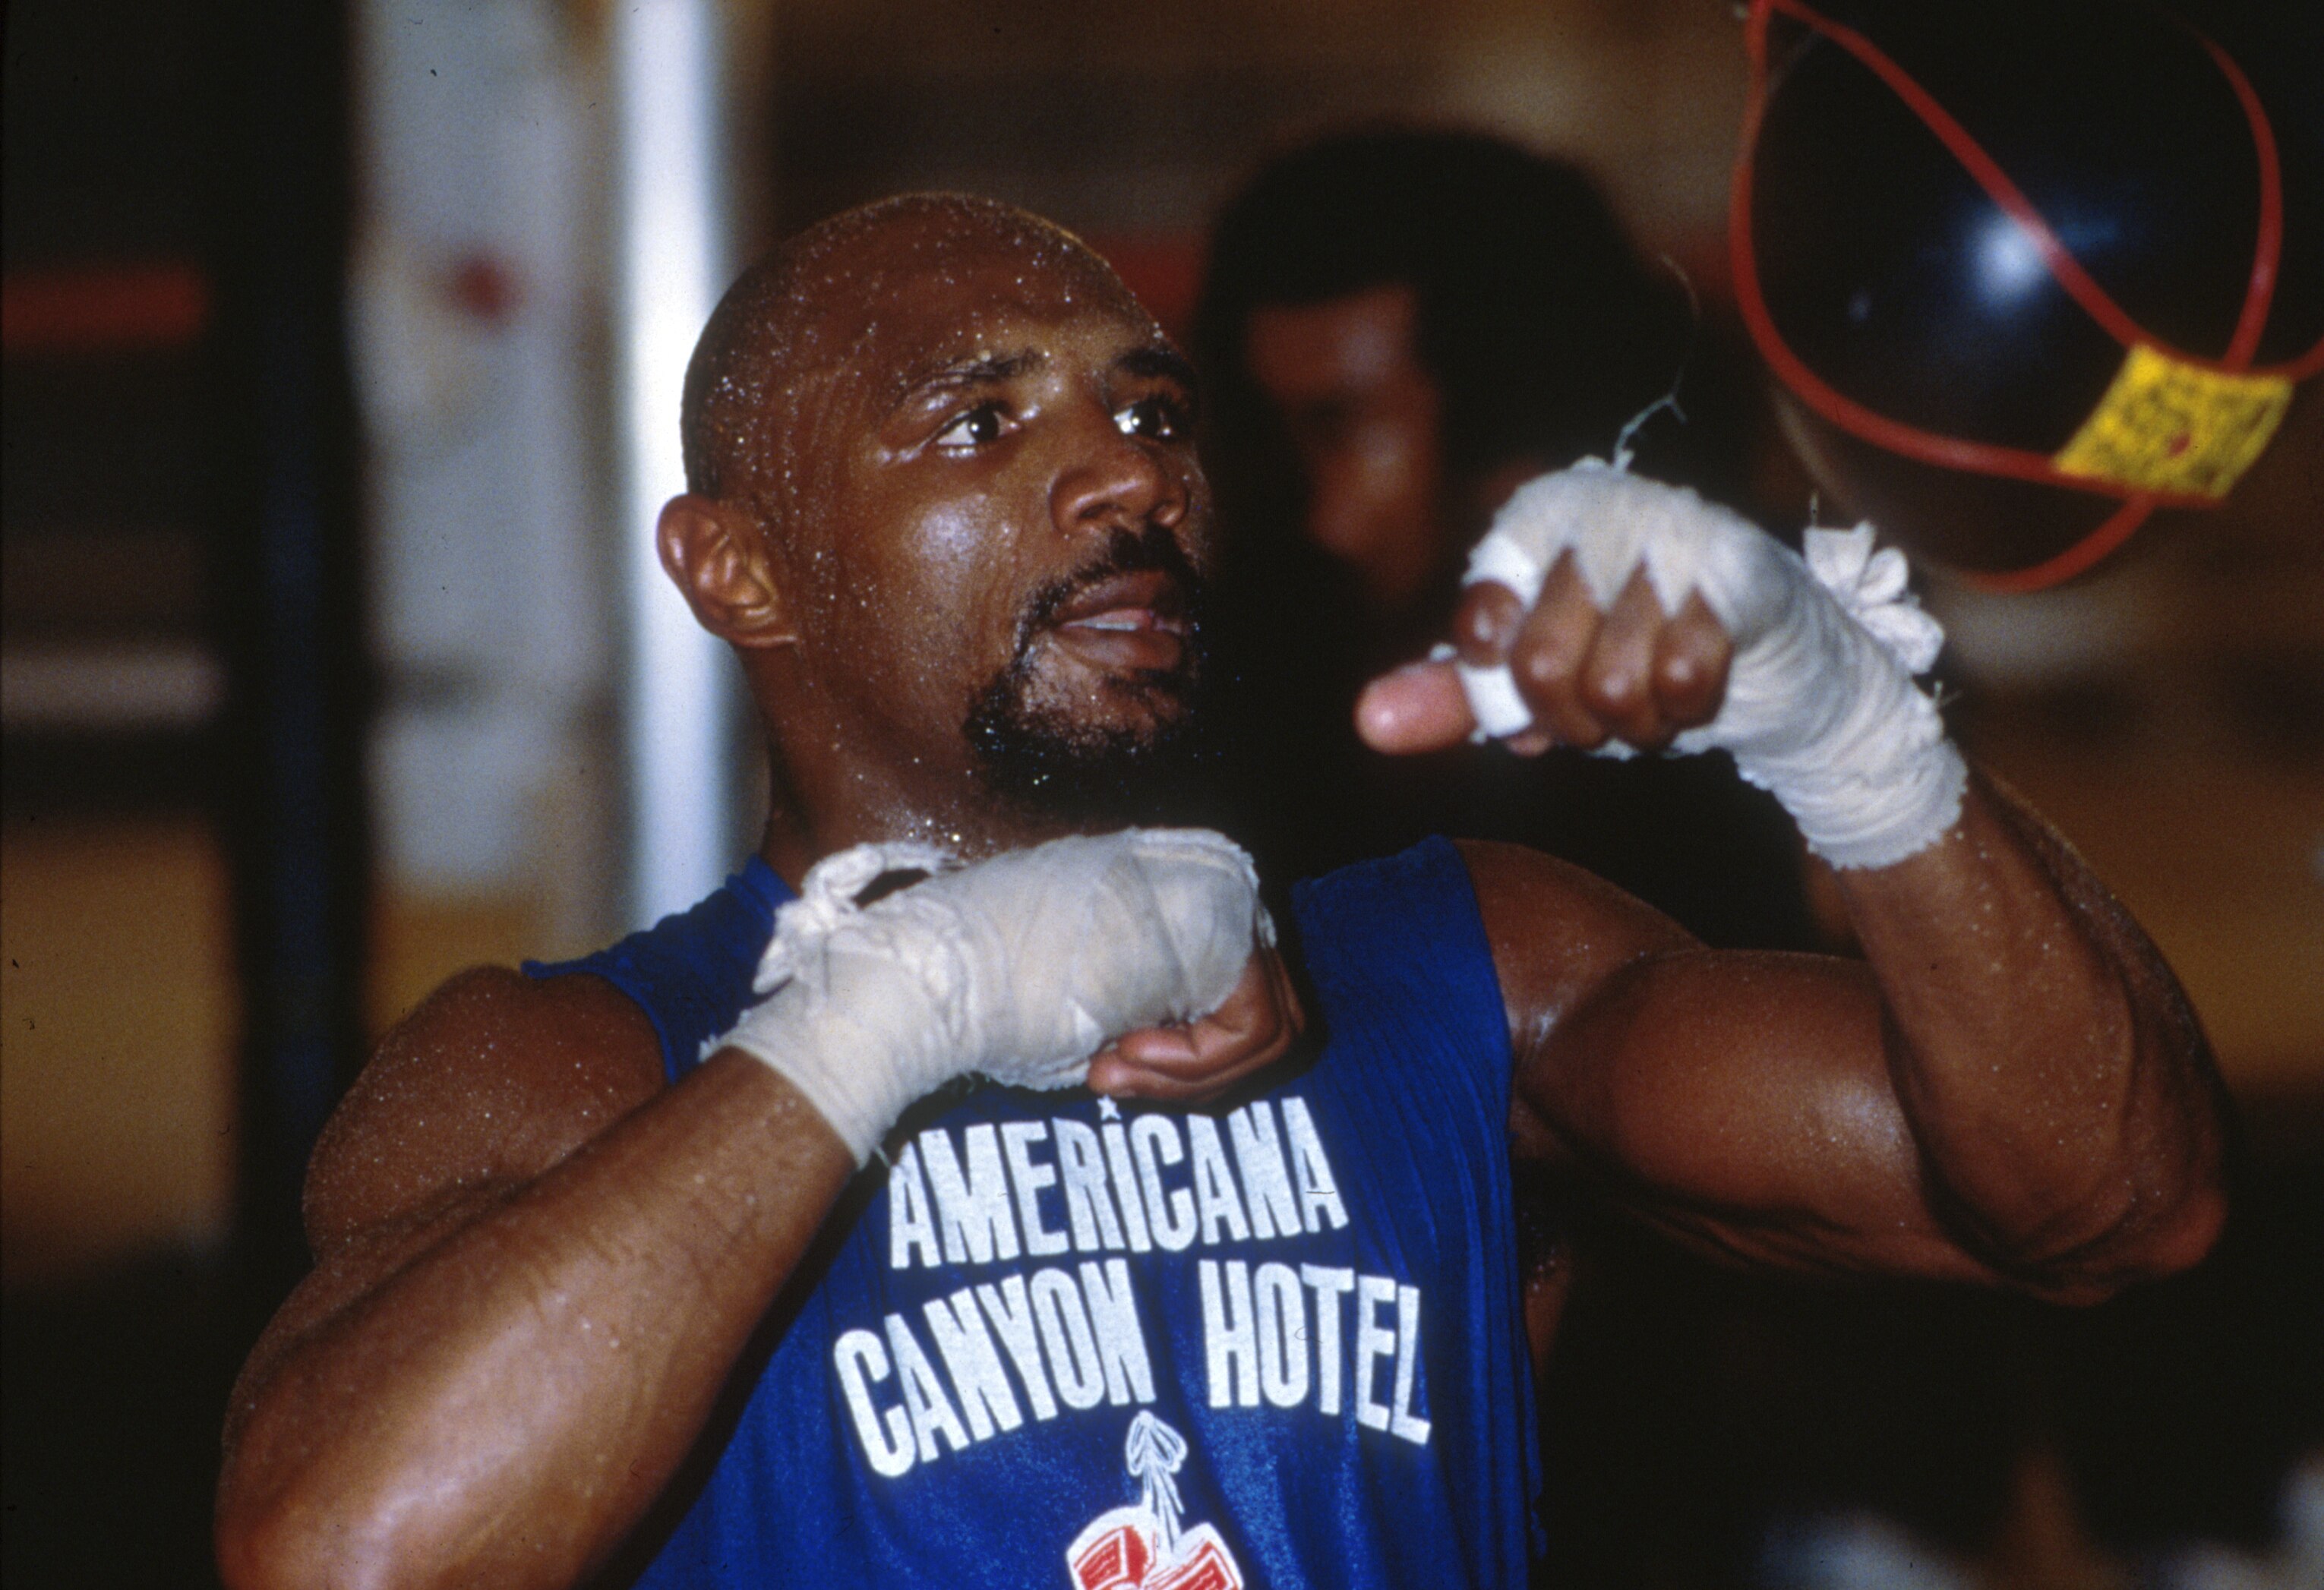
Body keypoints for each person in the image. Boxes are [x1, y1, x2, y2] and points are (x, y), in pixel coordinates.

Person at [213, 194, 2228, 1590]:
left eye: (1149, 409)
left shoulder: (1459, 962)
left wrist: (1847, 724)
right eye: (983, 422)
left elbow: (2108, 1200)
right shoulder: (576, 1061)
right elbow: (347, 1548)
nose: (1121, 478)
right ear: (736, 569)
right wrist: (881, 1010)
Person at [1195, 127, 1820, 948]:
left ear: (1507, 440)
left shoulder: (1770, 654)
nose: (1319, 517)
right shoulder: (1263, 672)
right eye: (1277, 437)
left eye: (1341, 428)